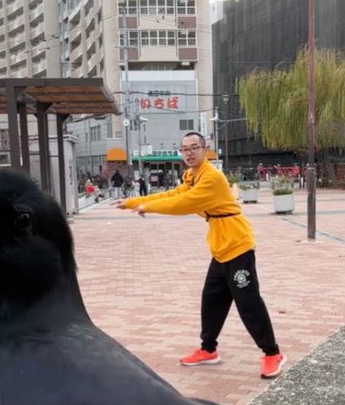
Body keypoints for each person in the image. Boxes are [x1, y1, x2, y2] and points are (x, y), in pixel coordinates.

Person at [115, 132, 285, 379]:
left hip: (237, 244)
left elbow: (185, 203)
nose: (189, 152)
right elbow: (172, 195)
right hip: (220, 246)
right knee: (212, 300)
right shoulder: (192, 176)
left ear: (205, 150)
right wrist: (133, 202)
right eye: (184, 149)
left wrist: (148, 207)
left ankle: (272, 353)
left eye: (194, 147)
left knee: (248, 302)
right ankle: (208, 350)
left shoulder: (211, 178)